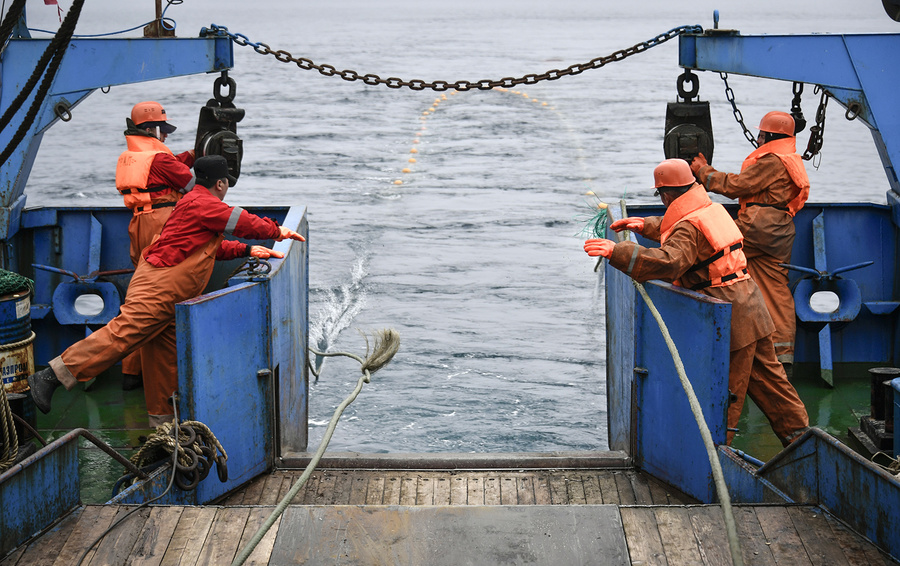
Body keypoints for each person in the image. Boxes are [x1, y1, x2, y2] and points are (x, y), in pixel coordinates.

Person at [27, 155, 305, 426]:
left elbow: (207, 246)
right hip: (160, 287)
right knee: (124, 333)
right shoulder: (206, 205)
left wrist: (245, 249)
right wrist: (278, 231)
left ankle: (165, 427)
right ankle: (52, 375)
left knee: (162, 359)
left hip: (165, 286)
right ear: (221, 184)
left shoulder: (190, 202)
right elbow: (243, 222)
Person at [584, 158, 808, 446]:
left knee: (725, 393)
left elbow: (671, 260)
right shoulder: (712, 209)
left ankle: (714, 457)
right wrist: (645, 225)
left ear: (665, 195)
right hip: (752, 306)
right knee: (773, 385)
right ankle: (803, 441)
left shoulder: (689, 226)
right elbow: (687, 229)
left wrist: (619, 252)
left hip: (732, 319)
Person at [690, 111, 810, 377]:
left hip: (759, 226)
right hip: (780, 228)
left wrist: (703, 172)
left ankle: (716, 338)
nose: (757, 138)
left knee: (706, 252)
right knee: (774, 288)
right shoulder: (789, 158)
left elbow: (738, 185)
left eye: (761, 133)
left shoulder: (772, 161)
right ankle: (781, 356)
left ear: (768, 135)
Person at [116, 101, 196, 391]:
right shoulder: (160, 159)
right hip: (161, 222)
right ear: (151, 129)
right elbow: (192, 183)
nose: (166, 137)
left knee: (138, 296)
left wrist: (193, 154)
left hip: (138, 224)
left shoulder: (133, 155)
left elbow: (168, 166)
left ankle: (130, 372)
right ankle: (164, 379)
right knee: (160, 296)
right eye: (163, 131)